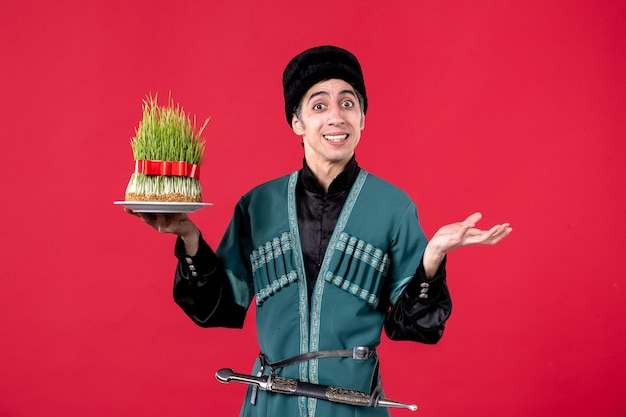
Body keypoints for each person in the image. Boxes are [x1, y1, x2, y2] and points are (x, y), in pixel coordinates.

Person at [127, 45, 512, 417]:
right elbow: (220, 309)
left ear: (363, 118)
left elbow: (412, 327)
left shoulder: (394, 207)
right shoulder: (257, 205)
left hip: (354, 406)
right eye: (319, 105)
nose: (336, 117)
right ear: (296, 121)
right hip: (271, 404)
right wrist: (190, 239)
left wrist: (432, 259)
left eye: (348, 103)